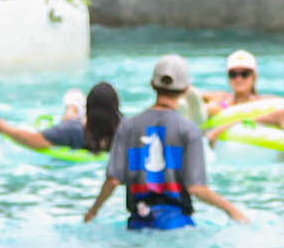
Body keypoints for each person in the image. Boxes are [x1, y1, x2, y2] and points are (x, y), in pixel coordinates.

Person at [83, 55, 250, 230]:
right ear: (185, 89)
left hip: (138, 222)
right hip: (177, 224)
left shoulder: (128, 126)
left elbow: (113, 180)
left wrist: (93, 211)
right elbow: (196, 188)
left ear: (152, 85)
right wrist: (233, 211)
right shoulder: (189, 130)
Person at [0, 80, 121, 155]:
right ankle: (74, 103)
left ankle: (73, 104)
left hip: (74, 134)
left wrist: (4, 128)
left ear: (89, 107)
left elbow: (35, 141)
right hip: (88, 133)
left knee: (70, 119)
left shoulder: (74, 130)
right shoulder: (125, 126)